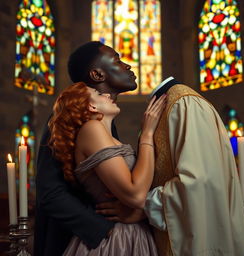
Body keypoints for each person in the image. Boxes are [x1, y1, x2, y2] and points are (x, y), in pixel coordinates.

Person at [96, 76, 244, 256]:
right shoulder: (164, 106)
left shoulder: (185, 103)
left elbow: (197, 181)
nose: (127, 66)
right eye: (117, 59)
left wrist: (145, 207)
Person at [33, 41, 144, 256]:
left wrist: (138, 212)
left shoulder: (107, 120)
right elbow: (50, 192)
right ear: (97, 74)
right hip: (80, 242)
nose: (128, 66)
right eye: (118, 61)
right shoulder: (66, 118)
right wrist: (104, 229)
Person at [47, 82, 166, 255]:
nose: (108, 95)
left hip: (135, 234)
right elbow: (136, 194)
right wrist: (147, 133)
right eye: (98, 94)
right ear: (91, 106)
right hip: (115, 240)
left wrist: (142, 213)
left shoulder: (110, 139)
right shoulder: (91, 129)